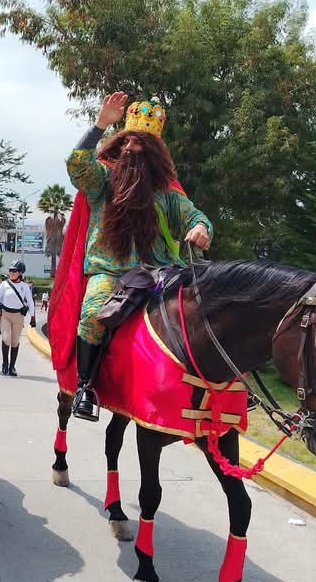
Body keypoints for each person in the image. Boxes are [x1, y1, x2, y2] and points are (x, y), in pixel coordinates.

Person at [66, 93, 212, 422]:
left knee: (204, 305)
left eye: (141, 143)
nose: (132, 147)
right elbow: (77, 164)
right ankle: (85, 388)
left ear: (153, 152)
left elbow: (194, 216)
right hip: (111, 274)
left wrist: (201, 227)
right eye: (128, 141)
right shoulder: (101, 182)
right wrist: (100, 124)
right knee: (93, 312)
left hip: (159, 274)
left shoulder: (167, 194)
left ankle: (221, 384)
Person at [0, 260, 36, 376]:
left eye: (14, 271)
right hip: (5, 315)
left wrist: (33, 317)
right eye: (10, 270)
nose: (11, 273)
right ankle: (5, 364)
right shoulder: (4, 285)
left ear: (20, 273)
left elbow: (30, 302)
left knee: (15, 342)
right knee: (6, 338)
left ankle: (12, 367)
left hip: (18, 317)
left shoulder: (24, 287)